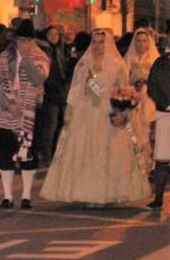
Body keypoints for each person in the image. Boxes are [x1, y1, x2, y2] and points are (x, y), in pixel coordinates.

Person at [40, 29, 149, 206]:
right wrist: (69, 113)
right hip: (85, 112)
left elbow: (123, 90)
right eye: (95, 42)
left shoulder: (116, 65)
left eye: (101, 42)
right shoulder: (83, 65)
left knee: (107, 153)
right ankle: (85, 193)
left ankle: (107, 193)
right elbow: (75, 91)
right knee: (84, 151)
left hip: (107, 114)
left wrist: (122, 109)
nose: (98, 46)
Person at [0, 19, 50, 209]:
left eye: (28, 41)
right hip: (7, 112)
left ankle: (26, 196)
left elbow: (38, 78)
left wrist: (26, 60)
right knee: (6, 154)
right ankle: (7, 196)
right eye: (21, 40)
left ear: (33, 41)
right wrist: (7, 104)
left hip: (30, 112)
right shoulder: (5, 57)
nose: (24, 44)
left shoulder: (40, 57)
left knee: (28, 154)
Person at [123, 27, 160, 173]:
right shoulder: (129, 58)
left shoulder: (154, 58)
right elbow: (123, 77)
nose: (141, 44)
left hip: (150, 98)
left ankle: (148, 163)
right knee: (133, 130)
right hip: (133, 98)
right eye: (138, 41)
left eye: (144, 41)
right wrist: (133, 81)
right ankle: (134, 162)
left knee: (149, 130)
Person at [36, 25, 71, 166]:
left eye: (56, 34)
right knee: (50, 125)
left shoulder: (62, 51)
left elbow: (66, 69)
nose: (53, 37)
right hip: (50, 92)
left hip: (62, 92)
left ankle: (55, 152)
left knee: (60, 125)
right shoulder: (43, 51)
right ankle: (46, 155)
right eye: (50, 34)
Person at [147, 42, 170, 210]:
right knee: (162, 158)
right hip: (164, 113)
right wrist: (165, 104)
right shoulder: (160, 63)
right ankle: (158, 197)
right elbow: (152, 86)